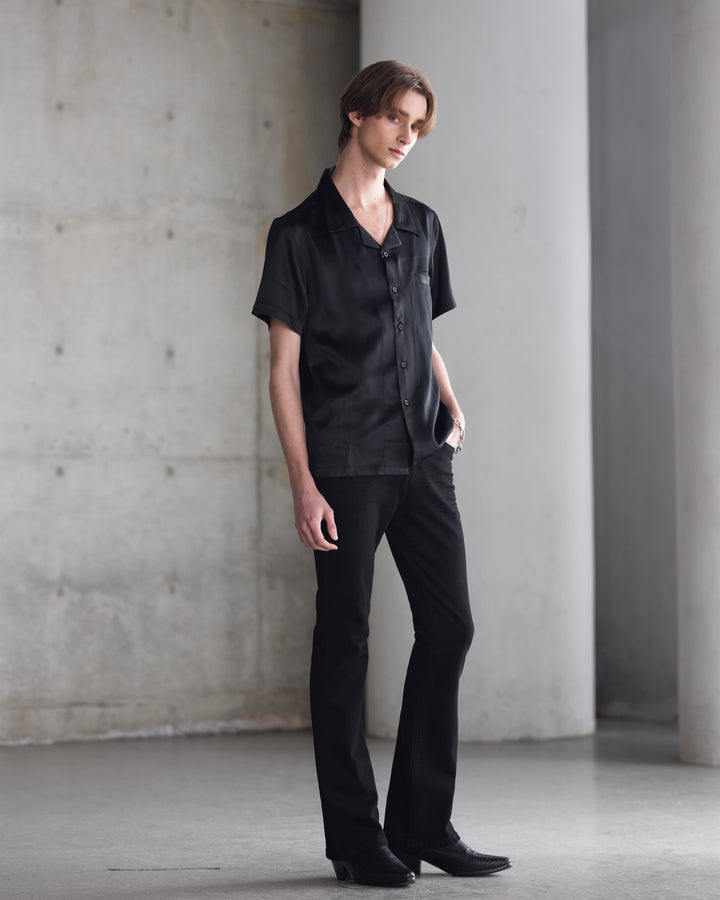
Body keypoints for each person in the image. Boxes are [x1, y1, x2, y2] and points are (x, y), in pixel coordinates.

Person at [252, 60, 511, 888]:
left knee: (450, 627)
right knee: (345, 643)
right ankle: (356, 839)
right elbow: (282, 372)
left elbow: (422, 333)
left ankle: (423, 825)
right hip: (346, 463)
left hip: (422, 456)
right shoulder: (299, 234)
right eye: (396, 117)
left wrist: (451, 402)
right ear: (357, 114)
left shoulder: (422, 224)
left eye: (417, 124)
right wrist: (303, 484)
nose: (407, 135)